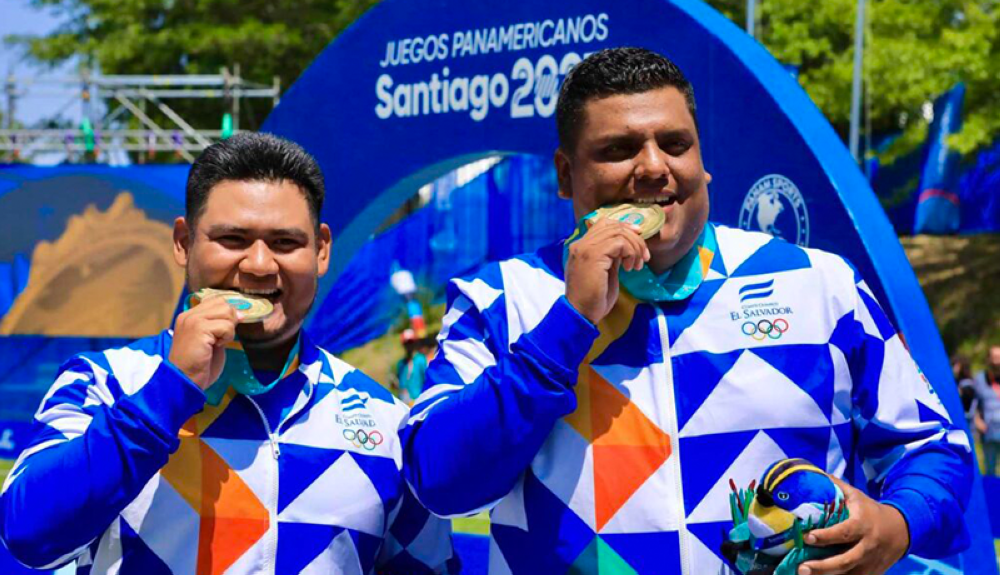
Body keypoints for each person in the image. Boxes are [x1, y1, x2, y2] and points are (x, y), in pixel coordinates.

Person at [401, 48, 972, 575]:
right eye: (618, 150)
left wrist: (896, 525)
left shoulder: (819, 283)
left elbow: (935, 450)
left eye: (675, 144)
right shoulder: (501, 298)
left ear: (704, 163)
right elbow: (438, 481)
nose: (653, 167)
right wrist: (566, 326)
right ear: (565, 174)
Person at [0, 133, 457, 574]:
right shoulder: (103, 383)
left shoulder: (384, 422)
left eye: (285, 243)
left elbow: (429, 568)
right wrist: (168, 393)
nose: (259, 265)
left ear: (321, 250)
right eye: (233, 240)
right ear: (183, 242)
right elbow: (28, 536)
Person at [971, 345, 1000, 475]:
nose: (997, 361)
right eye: (994, 357)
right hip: (989, 432)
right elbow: (973, 404)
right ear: (988, 359)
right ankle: (992, 494)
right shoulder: (979, 379)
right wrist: (977, 421)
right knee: (990, 470)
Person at [396, 329, 429, 404]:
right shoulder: (401, 364)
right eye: (406, 343)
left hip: (417, 401)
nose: (409, 345)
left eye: (411, 342)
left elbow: (426, 379)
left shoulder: (420, 360)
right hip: (403, 402)